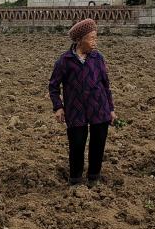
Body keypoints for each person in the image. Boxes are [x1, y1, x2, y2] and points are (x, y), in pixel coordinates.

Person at [49, 18, 116, 187]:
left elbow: (106, 85)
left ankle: (94, 177)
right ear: (79, 40)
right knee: (77, 145)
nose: (95, 42)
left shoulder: (98, 58)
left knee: (98, 143)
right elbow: (53, 86)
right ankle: (75, 181)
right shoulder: (65, 61)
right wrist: (58, 107)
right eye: (91, 38)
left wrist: (111, 109)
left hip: (99, 107)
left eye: (96, 37)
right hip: (75, 110)